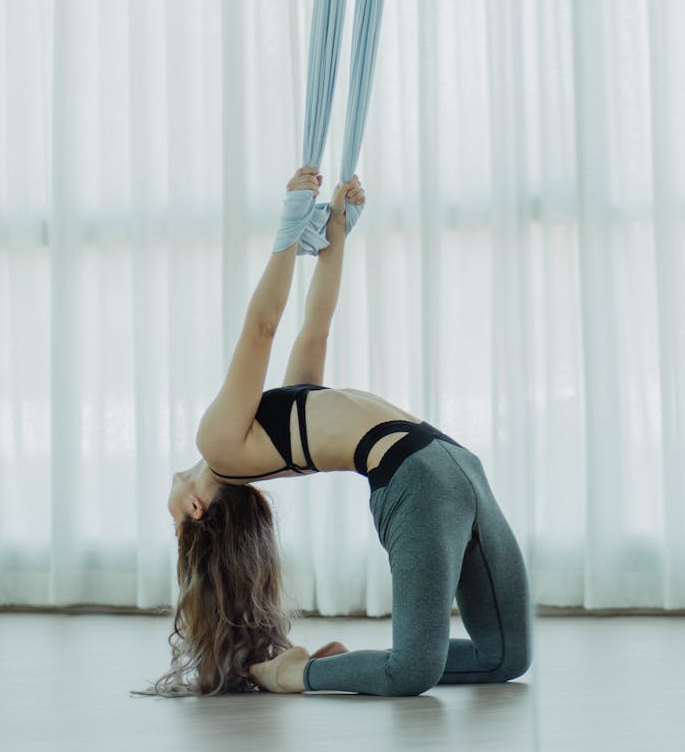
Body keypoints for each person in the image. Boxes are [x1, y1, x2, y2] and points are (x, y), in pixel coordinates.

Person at [159, 167, 532, 696]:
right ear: (195, 508)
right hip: (419, 482)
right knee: (411, 674)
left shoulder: (265, 441)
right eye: (174, 525)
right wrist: (288, 230)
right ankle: (292, 673)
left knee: (506, 658)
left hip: (457, 465)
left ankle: (355, 662)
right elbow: (260, 329)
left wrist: (336, 233)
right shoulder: (219, 449)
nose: (170, 512)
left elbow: (316, 323)